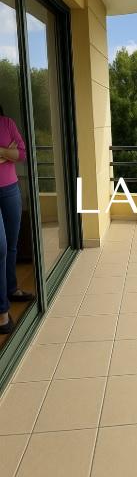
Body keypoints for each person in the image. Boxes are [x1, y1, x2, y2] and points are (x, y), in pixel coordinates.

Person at [0, 106, 33, 335]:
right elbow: (13, 154)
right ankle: (2, 310)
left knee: (12, 243)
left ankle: (11, 289)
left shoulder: (6, 123)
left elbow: (21, 154)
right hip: (8, 187)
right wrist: (6, 152)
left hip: (10, 189)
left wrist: (2, 152)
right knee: (0, 248)